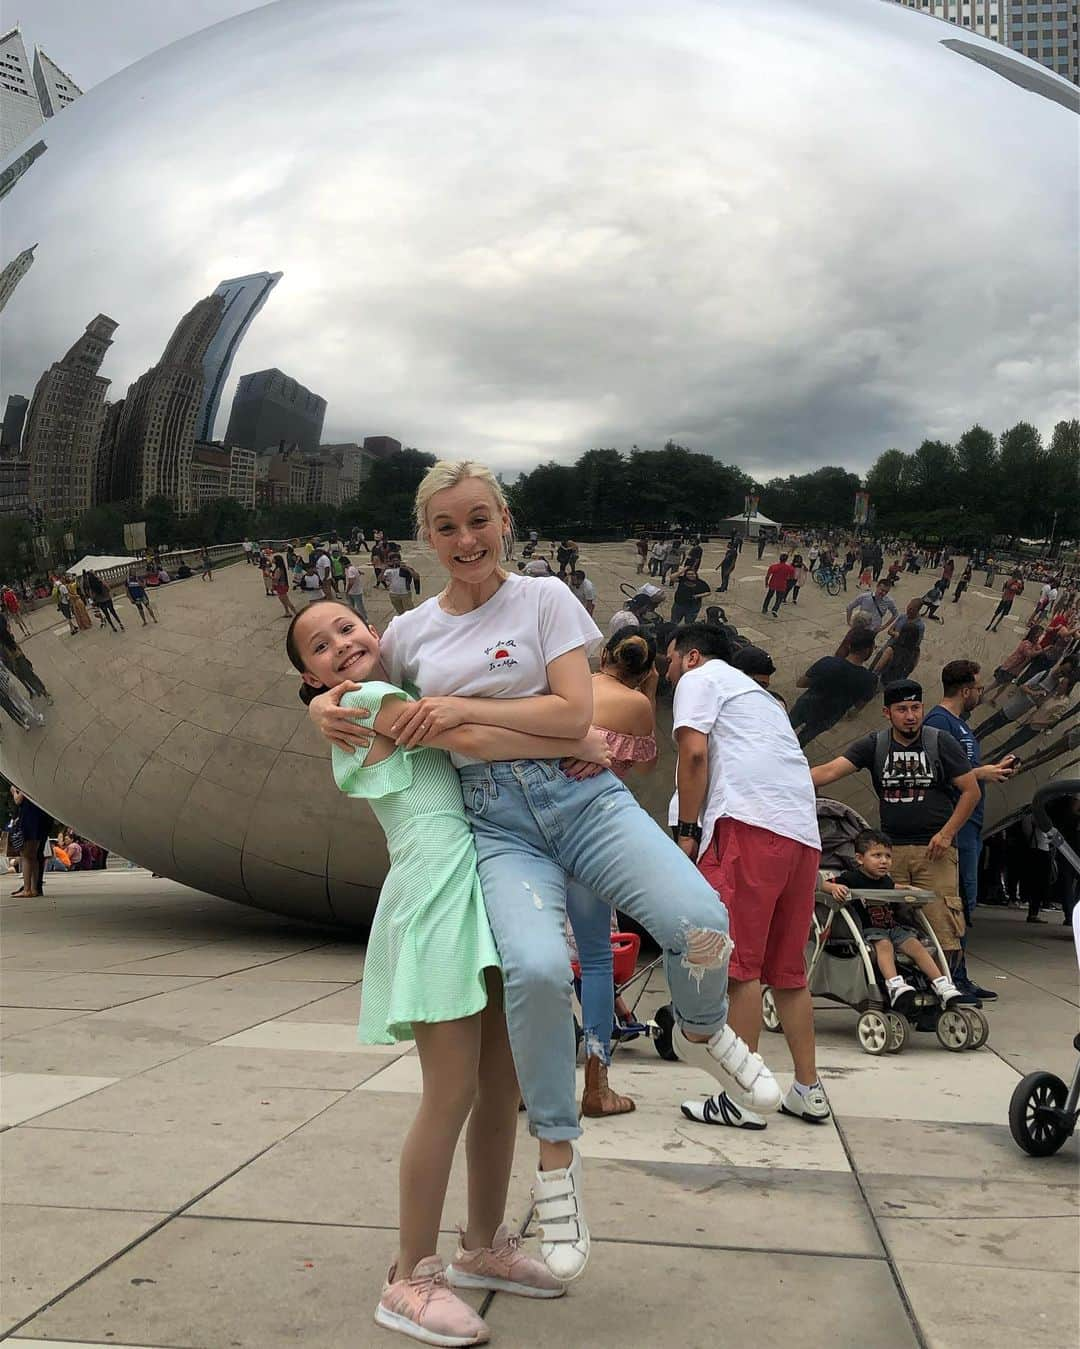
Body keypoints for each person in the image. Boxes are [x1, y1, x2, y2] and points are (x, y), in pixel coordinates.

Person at [309, 459, 782, 1285]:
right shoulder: (412, 635)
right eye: (447, 526)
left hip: (586, 803)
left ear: (505, 519)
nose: (466, 539)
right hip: (494, 824)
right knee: (532, 969)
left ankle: (704, 1027)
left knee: (704, 924)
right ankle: (557, 1169)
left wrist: (464, 715)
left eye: (480, 519)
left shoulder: (544, 599)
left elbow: (576, 713)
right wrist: (314, 702)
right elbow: (363, 696)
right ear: (425, 537)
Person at [289, 599, 579, 1344]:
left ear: (375, 629)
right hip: (437, 894)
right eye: (319, 647)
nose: (340, 645)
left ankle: (482, 1244)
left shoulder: (379, 690)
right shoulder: (366, 701)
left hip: (472, 885)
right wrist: (572, 727)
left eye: (347, 627)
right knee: (450, 1090)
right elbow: (459, 722)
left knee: (501, 1083)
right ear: (311, 676)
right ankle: (409, 1275)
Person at [667, 624, 829, 1131]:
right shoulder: (762, 699)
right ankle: (808, 1090)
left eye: (670, 659)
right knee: (787, 972)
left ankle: (742, 1097)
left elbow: (693, 755)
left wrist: (688, 833)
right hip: (802, 834)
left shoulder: (701, 679)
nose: (668, 670)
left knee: (739, 968)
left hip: (749, 827)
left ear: (691, 656)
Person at [810, 679, 981, 973]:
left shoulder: (939, 742)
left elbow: (971, 791)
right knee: (889, 927)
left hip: (935, 852)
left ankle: (948, 989)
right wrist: (780, 775)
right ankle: (899, 991)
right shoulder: (875, 745)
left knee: (942, 927)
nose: (911, 715)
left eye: (916, 708)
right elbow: (829, 771)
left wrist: (947, 834)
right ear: (887, 712)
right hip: (890, 854)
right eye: (902, 709)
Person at [570, 628, 659, 1118]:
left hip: (540, 833)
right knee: (597, 963)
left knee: (529, 963)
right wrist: (646, 692)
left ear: (604, 654)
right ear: (647, 669)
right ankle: (597, 1085)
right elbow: (644, 763)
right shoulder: (638, 707)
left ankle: (519, 1083)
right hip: (593, 837)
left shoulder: (571, 686)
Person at [923, 661, 1016, 1001]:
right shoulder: (938, 723)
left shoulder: (960, 726)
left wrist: (988, 770)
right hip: (956, 828)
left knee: (965, 903)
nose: (980, 693)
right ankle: (950, 977)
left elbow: (963, 769)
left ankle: (959, 973)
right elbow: (938, 773)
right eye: (978, 688)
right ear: (965, 691)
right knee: (956, 903)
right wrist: (981, 774)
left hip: (971, 828)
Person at [820, 830, 962, 1011]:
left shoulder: (885, 880)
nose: (884, 861)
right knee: (884, 944)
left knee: (915, 945)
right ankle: (894, 985)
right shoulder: (851, 878)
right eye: (877, 855)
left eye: (888, 856)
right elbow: (821, 883)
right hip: (869, 930)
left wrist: (908, 889)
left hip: (892, 927)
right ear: (860, 858)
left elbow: (893, 887)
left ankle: (941, 984)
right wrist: (833, 887)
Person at [789, 628, 878, 748]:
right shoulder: (870, 680)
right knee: (803, 740)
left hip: (806, 705)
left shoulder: (828, 663)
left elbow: (800, 683)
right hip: (829, 716)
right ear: (868, 650)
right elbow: (858, 706)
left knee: (786, 727)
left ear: (850, 646)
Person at [982, 625, 1044, 705]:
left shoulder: (1033, 644)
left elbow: (1037, 648)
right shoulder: (1026, 643)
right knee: (996, 683)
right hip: (1011, 666)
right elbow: (1029, 654)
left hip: (1016, 670)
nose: (1039, 636)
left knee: (1005, 685)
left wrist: (1038, 647)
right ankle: (983, 692)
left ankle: (994, 698)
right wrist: (1041, 651)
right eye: (1039, 634)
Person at [10, 786, 51, 899]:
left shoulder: (25, 783)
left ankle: (27, 889)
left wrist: (14, 791)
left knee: (26, 856)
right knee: (34, 856)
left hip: (29, 819)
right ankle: (34, 888)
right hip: (39, 819)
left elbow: (18, 800)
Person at [870, 600, 924, 683]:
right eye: (908, 608)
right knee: (875, 666)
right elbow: (890, 630)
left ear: (918, 610)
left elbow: (917, 643)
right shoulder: (902, 617)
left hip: (901, 655)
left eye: (912, 609)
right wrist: (896, 635)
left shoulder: (920, 626)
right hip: (890, 646)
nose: (908, 611)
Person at [0, 617, 51, 703]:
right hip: (6, 658)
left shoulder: (3, 630)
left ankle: (44, 692)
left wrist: (16, 653)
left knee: (28, 674)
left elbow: (10, 640)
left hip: (14, 654)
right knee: (21, 676)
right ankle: (36, 690)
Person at [343, 556, 369, 621]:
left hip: (354, 591)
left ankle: (364, 619)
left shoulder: (350, 570)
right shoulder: (353, 568)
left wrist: (347, 591)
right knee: (356, 606)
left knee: (357, 606)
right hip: (356, 590)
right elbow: (358, 572)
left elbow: (351, 582)